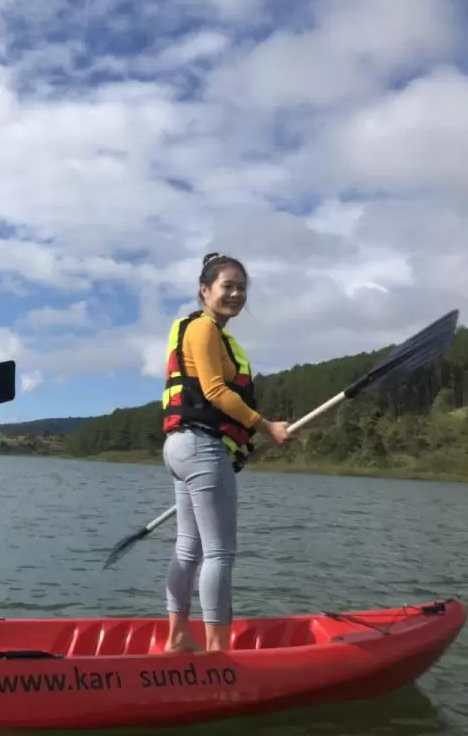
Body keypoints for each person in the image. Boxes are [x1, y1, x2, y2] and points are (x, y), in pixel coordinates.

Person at [159, 252, 291, 653]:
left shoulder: (203, 330)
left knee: (190, 548)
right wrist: (267, 426)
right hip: (199, 445)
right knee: (218, 552)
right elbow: (215, 391)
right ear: (205, 291)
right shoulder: (203, 329)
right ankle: (218, 651)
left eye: (241, 288)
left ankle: (179, 639)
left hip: (183, 446)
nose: (235, 294)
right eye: (227, 286)